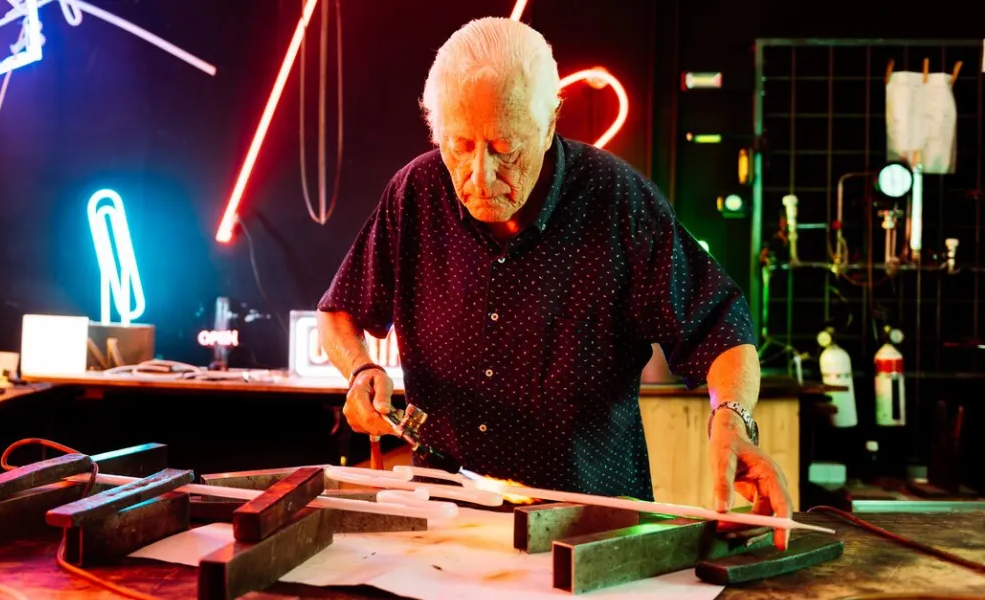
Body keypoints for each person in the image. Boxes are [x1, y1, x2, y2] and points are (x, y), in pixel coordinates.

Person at [316, 17, 793, 550]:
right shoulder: (414, 194)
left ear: (549, 125)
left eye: (504, 147)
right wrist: (359, 371)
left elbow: (720, 329)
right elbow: (340, 310)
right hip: (447, 522)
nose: (480, 175)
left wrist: (733, 417)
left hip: (591, 527)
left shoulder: (618, 200)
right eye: (460, 146)